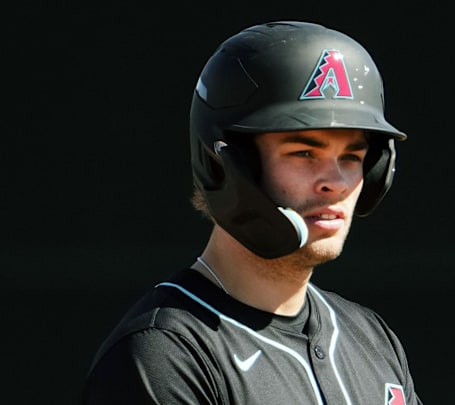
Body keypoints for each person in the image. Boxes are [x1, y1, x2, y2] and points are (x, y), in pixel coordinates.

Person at [80, 20, 422, 405]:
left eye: (352, 156)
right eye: (303, 153)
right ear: (226, 167)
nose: (336, 182)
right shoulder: (164, 355)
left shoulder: (370, 338)